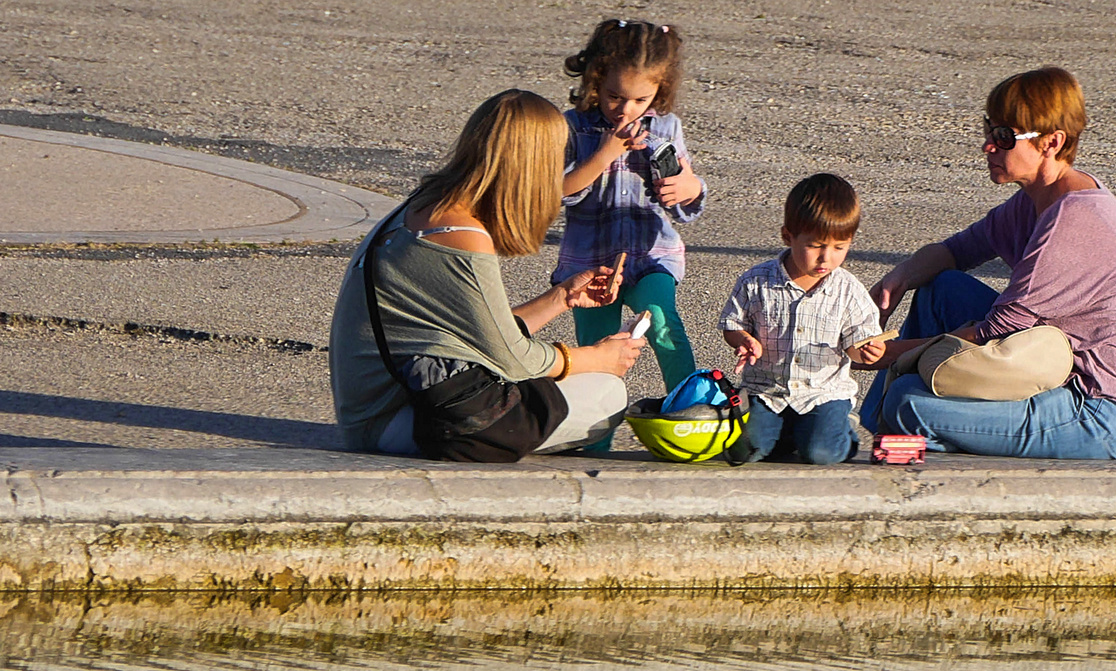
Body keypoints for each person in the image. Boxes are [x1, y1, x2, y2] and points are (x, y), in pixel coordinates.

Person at [863, 67, 1116, 459]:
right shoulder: (1037, 199)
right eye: (988, 129)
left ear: (1051, 142)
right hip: (1048, 365)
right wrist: (896, 280)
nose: (988, 146)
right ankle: (880, 429)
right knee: (942, 288)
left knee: (908, 402)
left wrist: (899, 353)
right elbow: (957, 251)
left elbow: (998, 329)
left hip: (1100, 410)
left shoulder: (1073, 220)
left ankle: (899, 427)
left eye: (1004, 137)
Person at [329, 89, 642, 459]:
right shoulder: (461, 235)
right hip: (404, 420)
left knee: (556, 389)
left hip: (378, 411)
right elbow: (513, 357)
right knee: (608, 393)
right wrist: (595, 359)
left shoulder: (425, 206)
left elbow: (485, 335)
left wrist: (561, 298)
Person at [556, 18, 707, 449]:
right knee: (595, 349)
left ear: (658, 92)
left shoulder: (666, 127)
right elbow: (559, 191)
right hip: (591, 262)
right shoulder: (574, 127)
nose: (625, 110)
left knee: (661, 321)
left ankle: (690, 412)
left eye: (640, 99)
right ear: (595, 82)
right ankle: (595, 439)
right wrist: (606, 152)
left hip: (651, 254)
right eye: (614, 97)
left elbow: (688, 198)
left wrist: (687, 186)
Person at [718, 173, 886, 464]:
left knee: (821, 454)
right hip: (766, 391)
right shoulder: (757, 281)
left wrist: (868, 351)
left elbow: (858, 343)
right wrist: (743, 340)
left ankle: (843, 430)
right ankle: (788, 433)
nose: (826, 258)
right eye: (815, 246)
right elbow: (733, 324)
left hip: (823, 393)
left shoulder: (847, 289)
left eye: (839, 248)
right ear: (788, 236)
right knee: (746, 451)